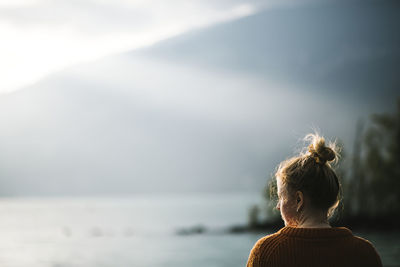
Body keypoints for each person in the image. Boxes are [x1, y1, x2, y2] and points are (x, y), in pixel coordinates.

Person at [246, 133, 382, 267]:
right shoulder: (365, 252)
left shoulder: (266, 252)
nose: (278, 206)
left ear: (299, 200)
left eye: (281, 197)